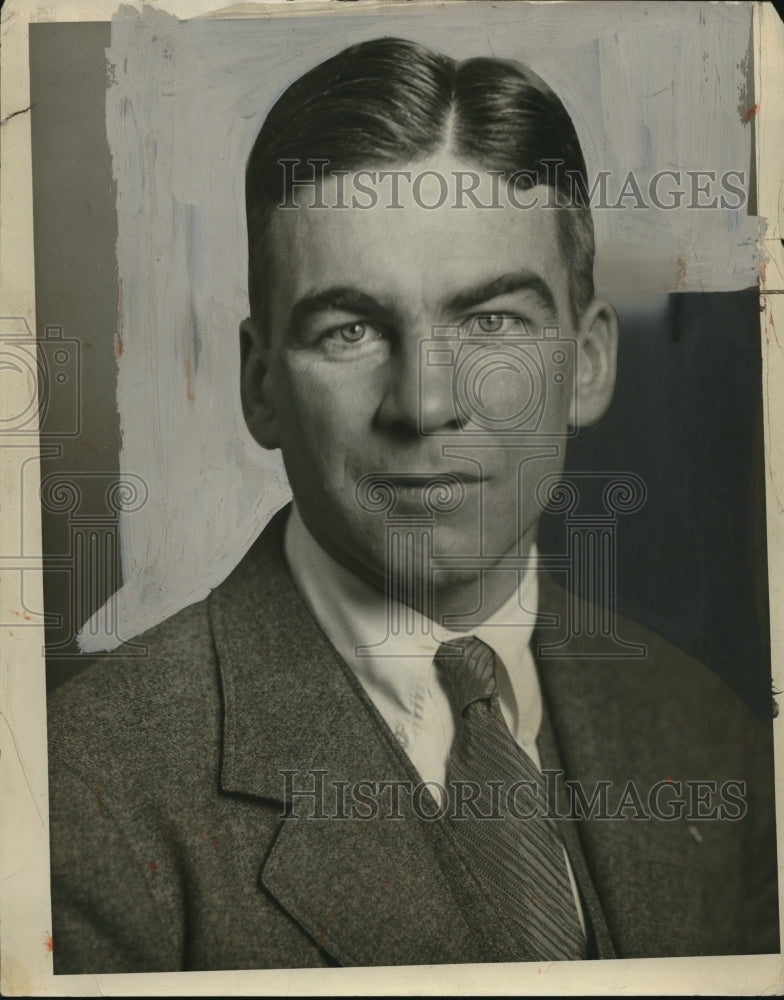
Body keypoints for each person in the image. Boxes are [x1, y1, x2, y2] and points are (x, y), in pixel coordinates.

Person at [47, 37, 779, 973]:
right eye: (349, 329)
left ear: (589, 363)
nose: (425, 404)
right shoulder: (83, 799)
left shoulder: (714, 736)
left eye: (491, 322)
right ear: (261, 386)